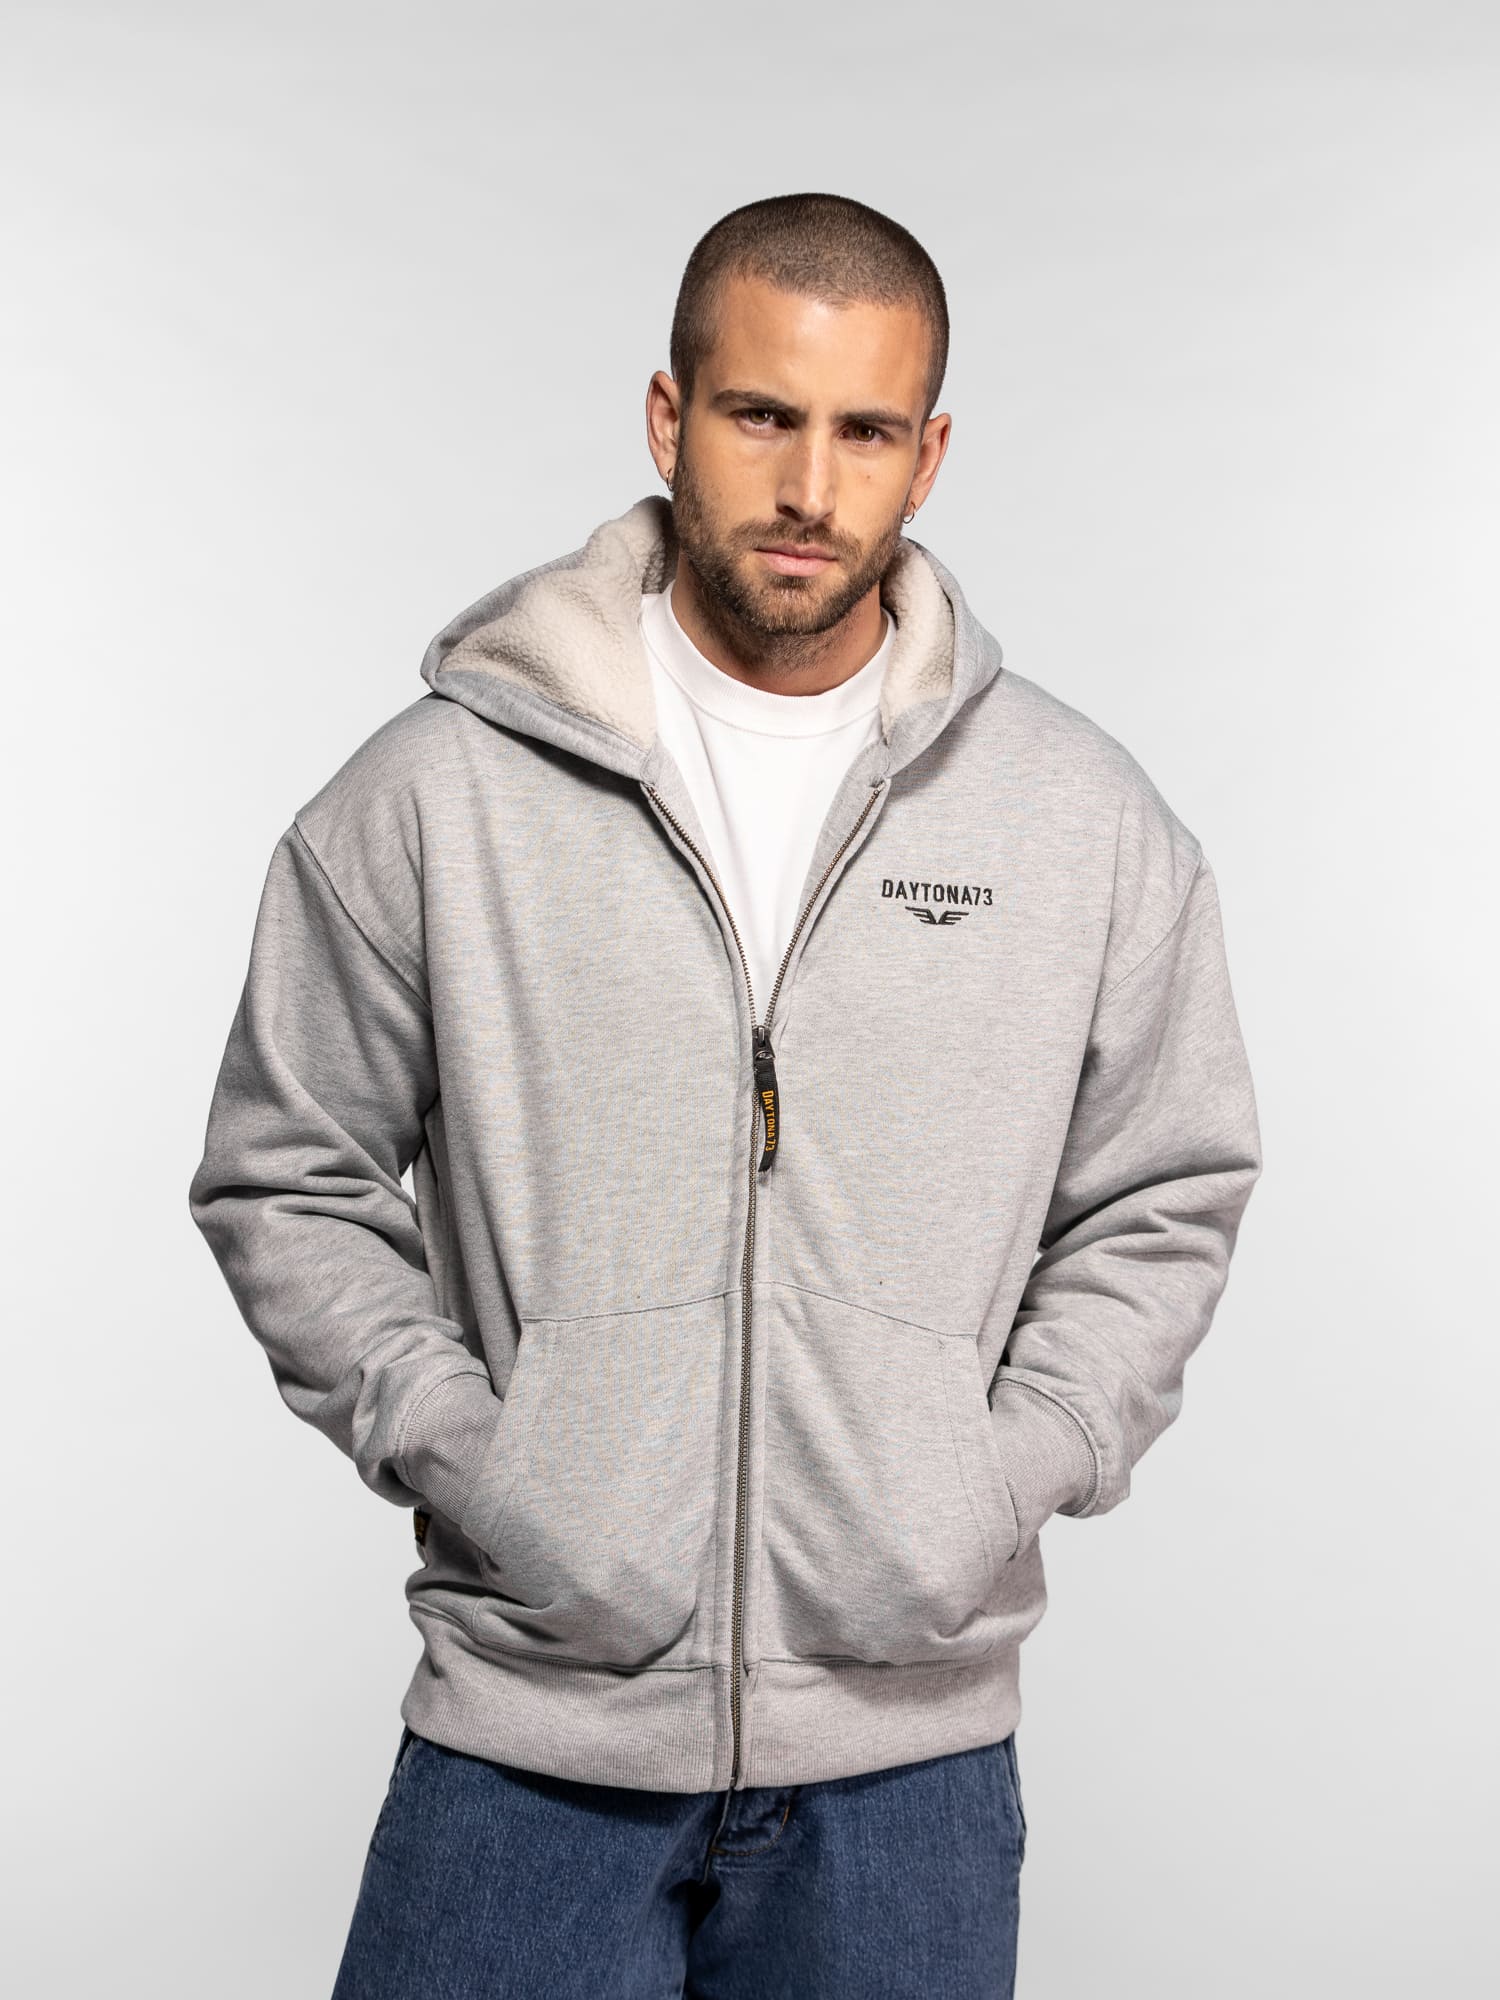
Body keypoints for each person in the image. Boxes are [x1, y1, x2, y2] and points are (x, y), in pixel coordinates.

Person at [188, 191, 1262, 1998]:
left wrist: (1000, 1474)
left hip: (909, 1768)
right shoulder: (439, 796)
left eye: (865, 432)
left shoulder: (1082, 823)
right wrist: (484, 1457)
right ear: (670, 419)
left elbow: (1169, 1189)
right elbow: (284, 1171)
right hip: (529, 1740)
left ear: (930, 457)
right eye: (763, 415)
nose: (809, 487)